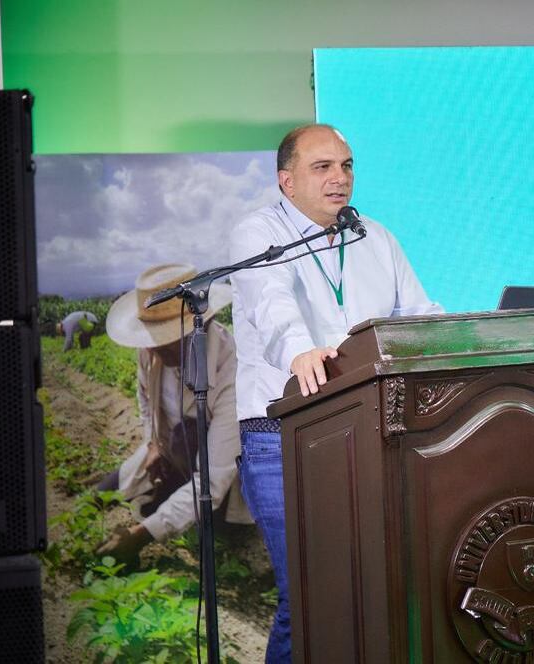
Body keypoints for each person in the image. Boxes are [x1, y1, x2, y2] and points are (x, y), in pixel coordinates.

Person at [229, 124, 442, 663]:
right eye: (322, 167)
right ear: (287, 180)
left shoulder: (375, 236)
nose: (339, 178)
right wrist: (300, 350)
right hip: (281, 437)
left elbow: (416, 315)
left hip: (368, 429)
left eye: (346, 166)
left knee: (373, 588)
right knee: (307, 597)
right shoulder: (257, 234)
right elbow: (271, 303)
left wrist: (469, 335)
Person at [96, 263, 251, 565]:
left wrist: (140, 535)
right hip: (171, 452)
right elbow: (144, 398)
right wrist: (153, 443)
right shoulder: (150, 352)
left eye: (166, 338)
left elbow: (212, 480)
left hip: (218, 472)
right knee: (106, 490)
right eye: (152, 339)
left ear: (202, 325)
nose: (154, 350)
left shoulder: (232, 369)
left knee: (204, 526)